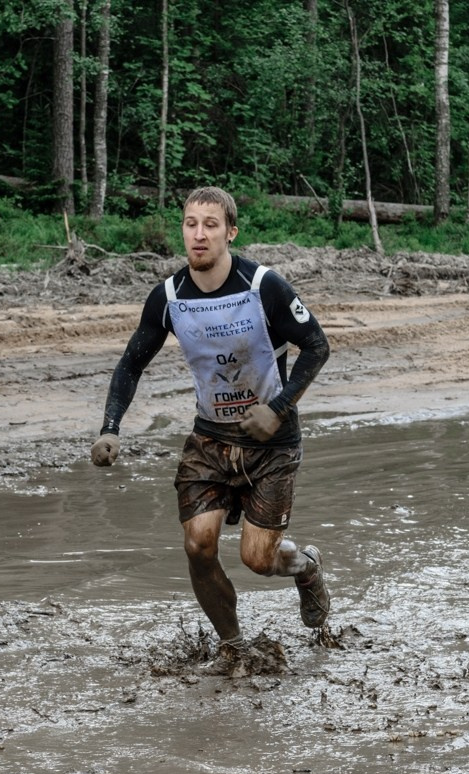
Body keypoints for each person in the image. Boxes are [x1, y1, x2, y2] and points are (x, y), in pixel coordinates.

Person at [90, 186, 331, 654]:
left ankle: (307, 568)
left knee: (258, 560)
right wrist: (110, 428)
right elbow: (130, 364)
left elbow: (317, 345)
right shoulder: (168, 296)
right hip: (209, 441)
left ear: (230, 232)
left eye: (211, 225)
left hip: (272, 444)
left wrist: (277, 409)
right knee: (199, 545)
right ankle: (235, 649)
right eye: (190, 224)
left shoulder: (264, 287)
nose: (199, 235)